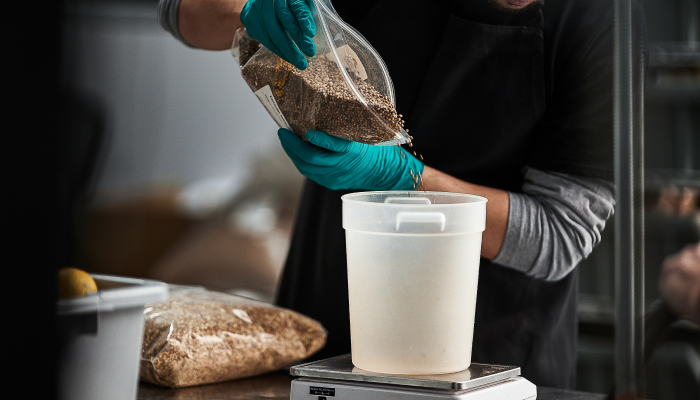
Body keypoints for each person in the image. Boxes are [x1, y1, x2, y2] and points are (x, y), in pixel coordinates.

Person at [158, 0, 647, 389]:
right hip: (329, 331)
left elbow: (561, 233)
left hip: (492, 358)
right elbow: (180, 12)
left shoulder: (608, 23)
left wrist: (403, 178)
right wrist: (248, 10)